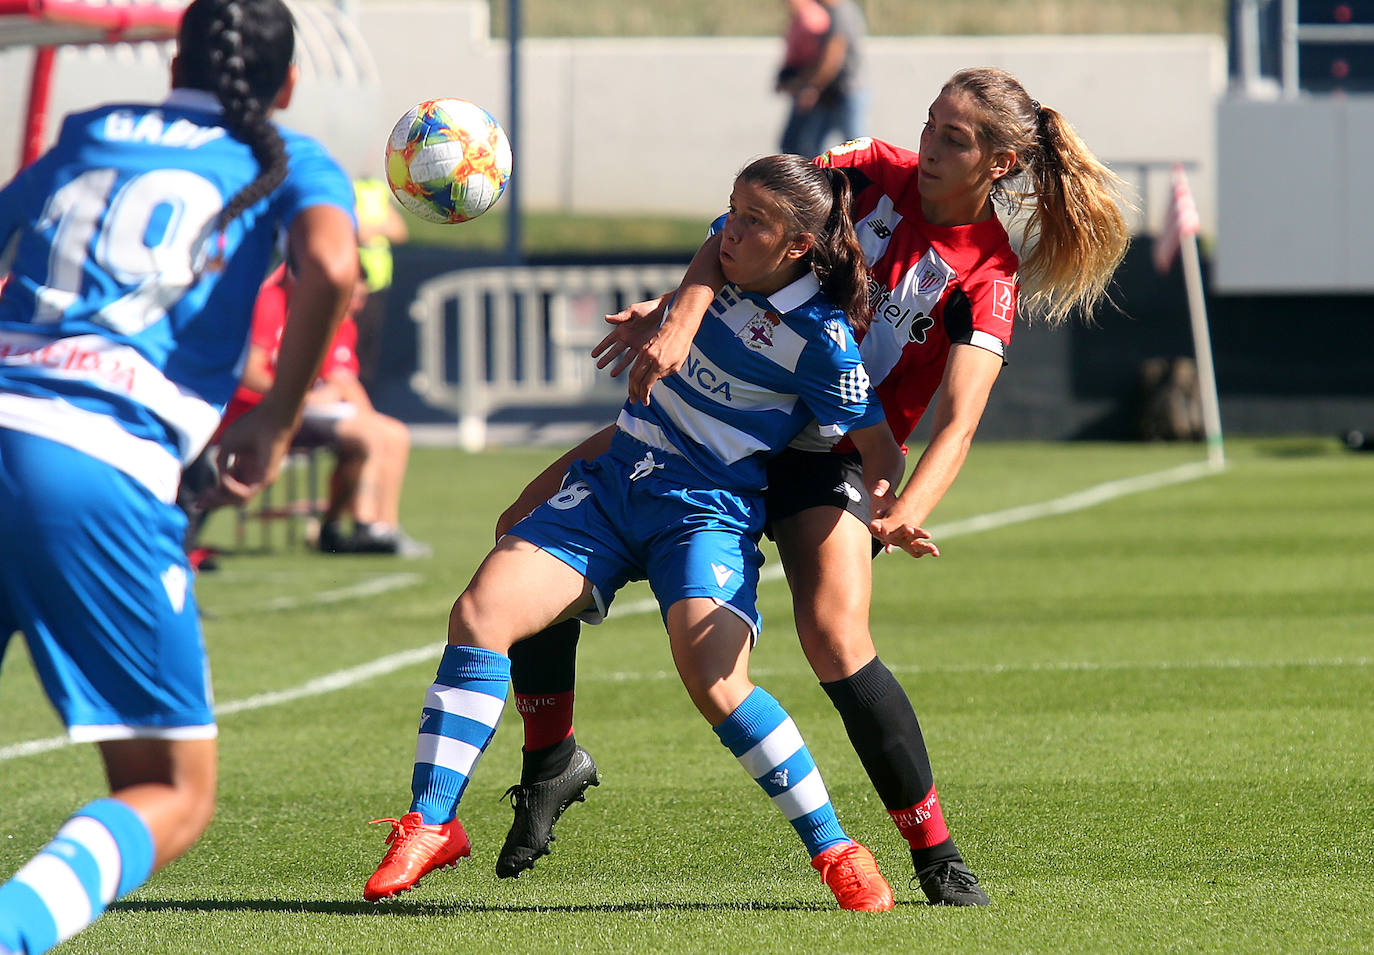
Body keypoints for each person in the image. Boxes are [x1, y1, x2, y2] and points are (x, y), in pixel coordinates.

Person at [497, 66, 1132, 907]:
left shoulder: (988, 276)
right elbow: (743, 220)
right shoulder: (864, 169)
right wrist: (681, 313)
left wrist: (907, 508)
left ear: (1003, 164)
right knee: (524, 525)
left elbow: (959, 420)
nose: (931, 145)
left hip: (831, 452)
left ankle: (935, 853)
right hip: (726, 409)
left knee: (835, 638)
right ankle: (551, 761)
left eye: (956, 137)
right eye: (932, 123)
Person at [362, 154, 906, 912]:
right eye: (732, 208)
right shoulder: (722, 254)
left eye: (755, 221)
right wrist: (679, 314)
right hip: (621, 478)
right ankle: (432, 819)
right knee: (480, 612)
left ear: (797, 248)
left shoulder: (823, 343)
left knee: (716, 683)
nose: (731, 230)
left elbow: (881, 451)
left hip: (708, 510)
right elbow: (707, 265)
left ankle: (836, 848)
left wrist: (888, 510)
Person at [0, 0, 359, 951]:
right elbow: (331, 265)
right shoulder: (289, 157)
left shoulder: (89, 131)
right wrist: (277, 423)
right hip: (88, 463)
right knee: (171, 790)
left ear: (172, 61)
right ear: (283, 84)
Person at [226, 263, 429, 556]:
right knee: (369, 436)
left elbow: (342, 381)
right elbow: (250, 372)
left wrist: (362, 415)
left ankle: (380, 527)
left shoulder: (338, 319)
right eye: (353, 296)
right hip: (262, 409)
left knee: (393, 433)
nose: (357, 306)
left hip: (304, 407)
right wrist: (300, 396)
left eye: (361, 298)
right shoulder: (273, 302)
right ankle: (364, 526)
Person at [779, 0, 868, 160]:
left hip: (845, 91)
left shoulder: (841, 13)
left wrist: (812, 87)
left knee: (857, 150)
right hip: (833, 92)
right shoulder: (833, 12)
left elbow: (832, 58)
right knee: (812, 148)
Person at [351, 176, 408, 382]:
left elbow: (400, 232)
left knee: (369, 339)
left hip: (378, 281)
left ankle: (364, 384)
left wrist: (374, 229)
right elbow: (360, 233)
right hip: (356, 281)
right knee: (350, 337)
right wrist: (379, 228)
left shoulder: (381, 200)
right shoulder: (352, 198)